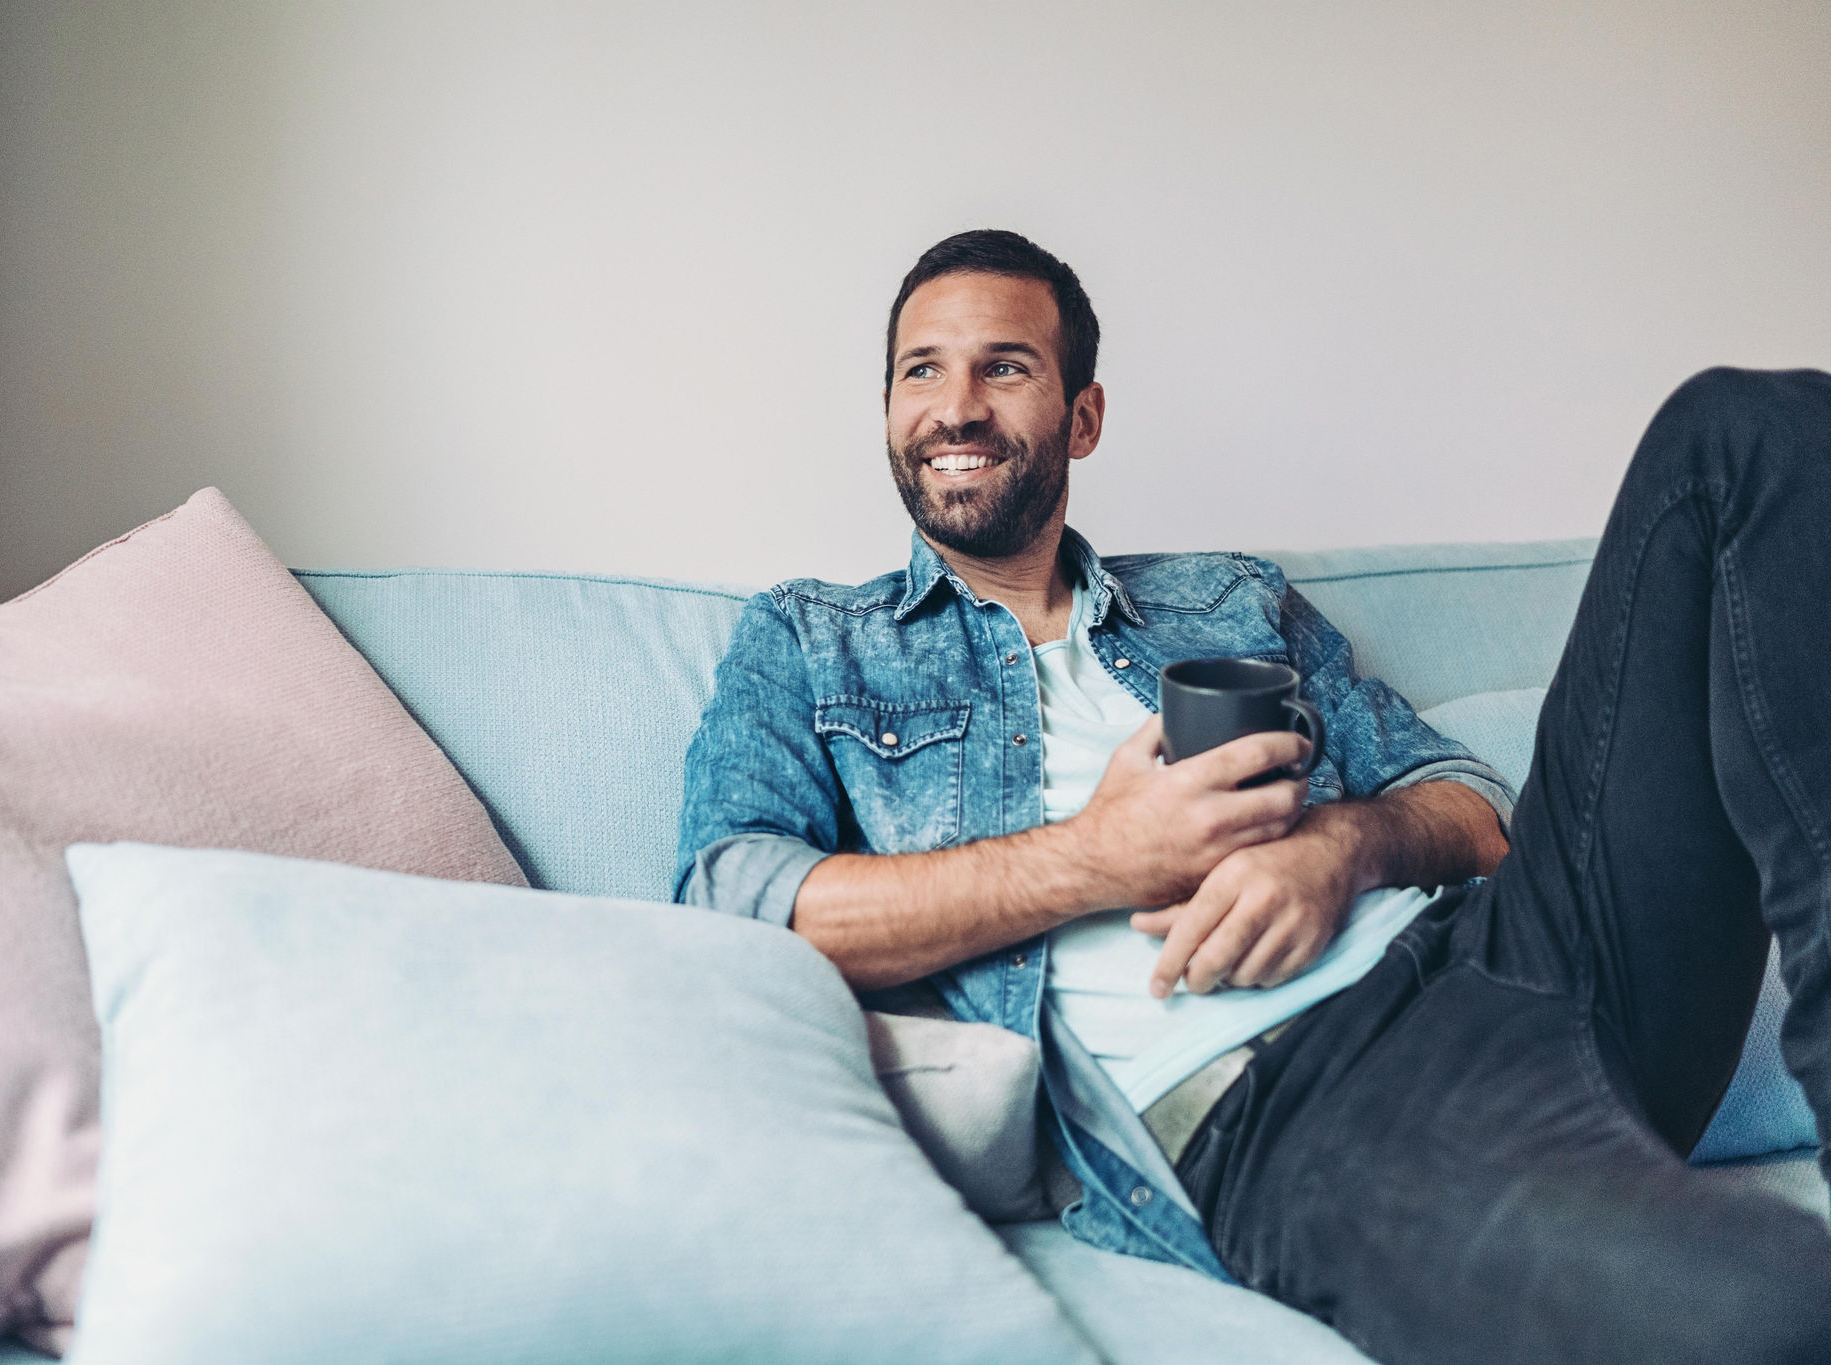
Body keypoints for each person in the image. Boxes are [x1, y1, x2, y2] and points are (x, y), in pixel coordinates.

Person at [674, 228, 1831, 1363]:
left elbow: (1467, 807)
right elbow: (738, 901)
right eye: (920, 369)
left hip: (1521, 958)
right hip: (1303, 1104)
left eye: (1005, 366)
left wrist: (1340, 844)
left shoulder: (1225, 599)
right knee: (1769, 1313)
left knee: (1747, 429)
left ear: (1082, 415)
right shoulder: (811, 642)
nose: (956, 405)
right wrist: (1098, 857)